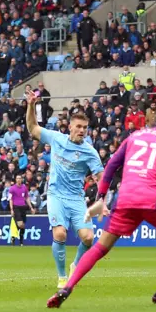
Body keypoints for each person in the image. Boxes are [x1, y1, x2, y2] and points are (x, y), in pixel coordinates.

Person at [47, 105, 156, 309]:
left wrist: (101, 197)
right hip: (153, 200)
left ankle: (67, 287)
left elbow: (111, 166)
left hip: (124, 197)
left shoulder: (136, 136)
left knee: (100, 247)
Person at [25, 89, 105, 289]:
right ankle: (62, 277)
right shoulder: (56, 138)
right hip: (56, 196)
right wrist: (30, 105)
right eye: (78, 126)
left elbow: (102, 178)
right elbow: (32, 127)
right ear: (69, 126)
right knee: (59, 234)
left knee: (88, 238)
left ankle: (76, 265)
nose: (81, 130)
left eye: (85, 128)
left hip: (76, 198)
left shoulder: (90, 152)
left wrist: (101, 201)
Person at [8, 174, 35, 246]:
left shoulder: (24, 187)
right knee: (20, 223)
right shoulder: (12, 188)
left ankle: (17, 239)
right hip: (16, 207)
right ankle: (19, 240)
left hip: (23, 207)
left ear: (22, 179)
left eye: (20, 178)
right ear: (16, 180)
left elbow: (27, 198)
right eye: (17, 178)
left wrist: (31, 207)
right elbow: (10, 199)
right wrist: (11, 209)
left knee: (22, 225)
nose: (19, 179)